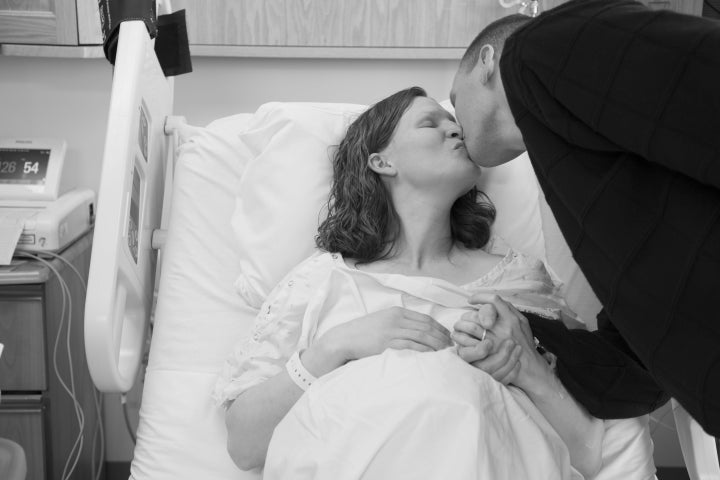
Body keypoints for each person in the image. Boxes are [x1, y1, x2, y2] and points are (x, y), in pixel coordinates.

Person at [212, 87, 638, 479]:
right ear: (382, 161)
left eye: (454, 123)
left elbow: (587, 453)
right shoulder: (322, 281)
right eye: (430, 123)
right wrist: (337, 347)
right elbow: (245, 446)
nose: (455, 127)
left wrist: (527, 369)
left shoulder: (518, 282)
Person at [449, 0, 720, 435]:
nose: (452, 124)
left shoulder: (537, 49)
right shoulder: (577, 170)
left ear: (486, 62)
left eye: (453, 101)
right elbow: (634, 370)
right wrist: (528, 340)